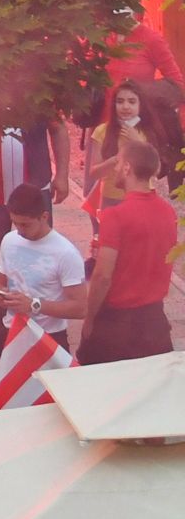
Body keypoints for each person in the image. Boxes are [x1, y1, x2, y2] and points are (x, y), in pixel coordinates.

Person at [81, 141, 177, 362]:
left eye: (118, 162)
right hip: (154, 321)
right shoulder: (168, 212)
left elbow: (103, 275)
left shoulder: (116, 216)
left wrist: (90, 318)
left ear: (127, 168)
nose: (115, 168)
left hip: (118, 325)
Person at [0, 181, 91, 357]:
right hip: (11, 331)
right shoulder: (9, 240)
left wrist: (33, 305)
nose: (20, 230)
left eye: (25, 225)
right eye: (15, 223)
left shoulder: (65, 253)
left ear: (44, 217)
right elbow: (0, 282)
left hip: (47, 338)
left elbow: (80, 308)